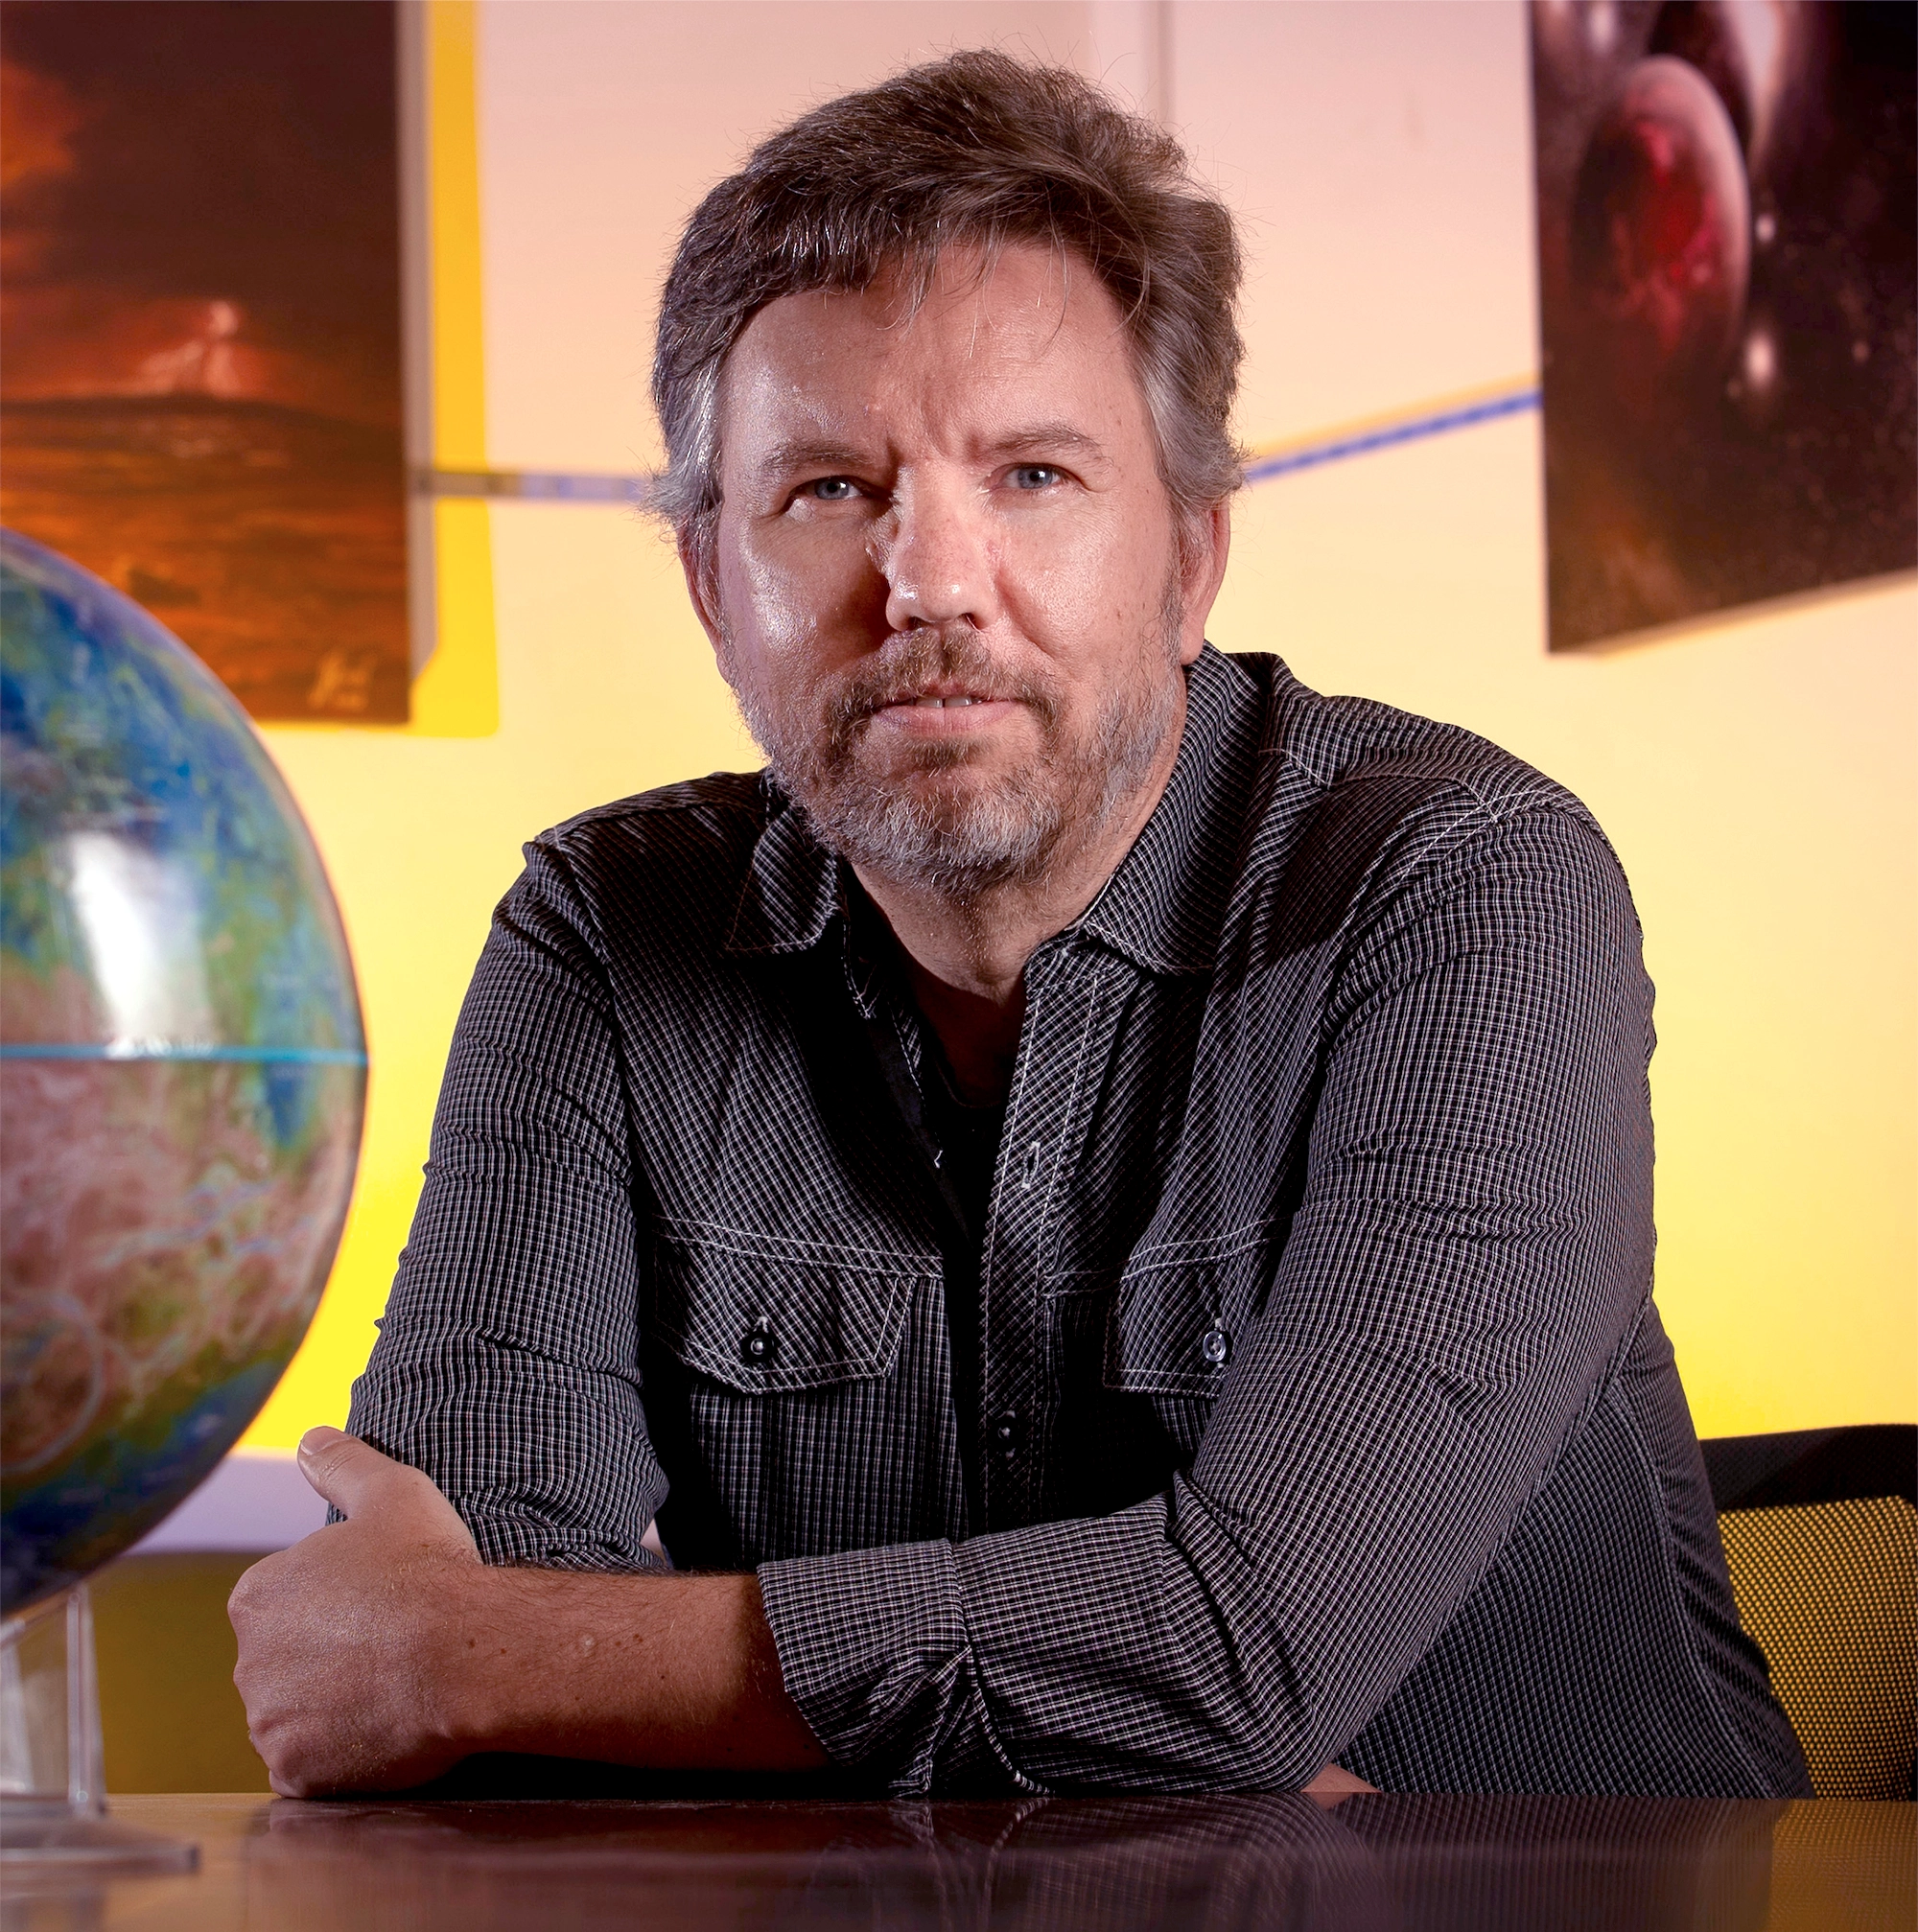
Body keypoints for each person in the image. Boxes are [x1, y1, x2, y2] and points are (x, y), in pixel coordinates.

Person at [230, 52, 1810, 1804]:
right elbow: (497, 1742)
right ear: (709, 585)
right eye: (828, 488)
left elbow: (1252, 1652)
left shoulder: (1463, 890)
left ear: (1191, 557)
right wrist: (1142, 1709)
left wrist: (492, 1650)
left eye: (1035, 476)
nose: (930, 582)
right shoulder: (600, 939)